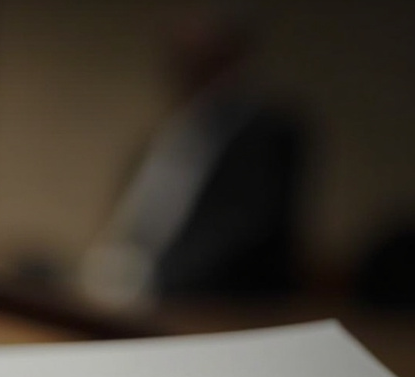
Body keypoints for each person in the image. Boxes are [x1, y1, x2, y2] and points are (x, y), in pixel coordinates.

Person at [79, 6, 306, 310]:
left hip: (219, 305)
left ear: (232, 56)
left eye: (198, 58)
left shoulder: (267, 131)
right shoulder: (167, 132)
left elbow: (242, 232)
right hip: (132, 287)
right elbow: (133, 216)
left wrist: (152, 280)